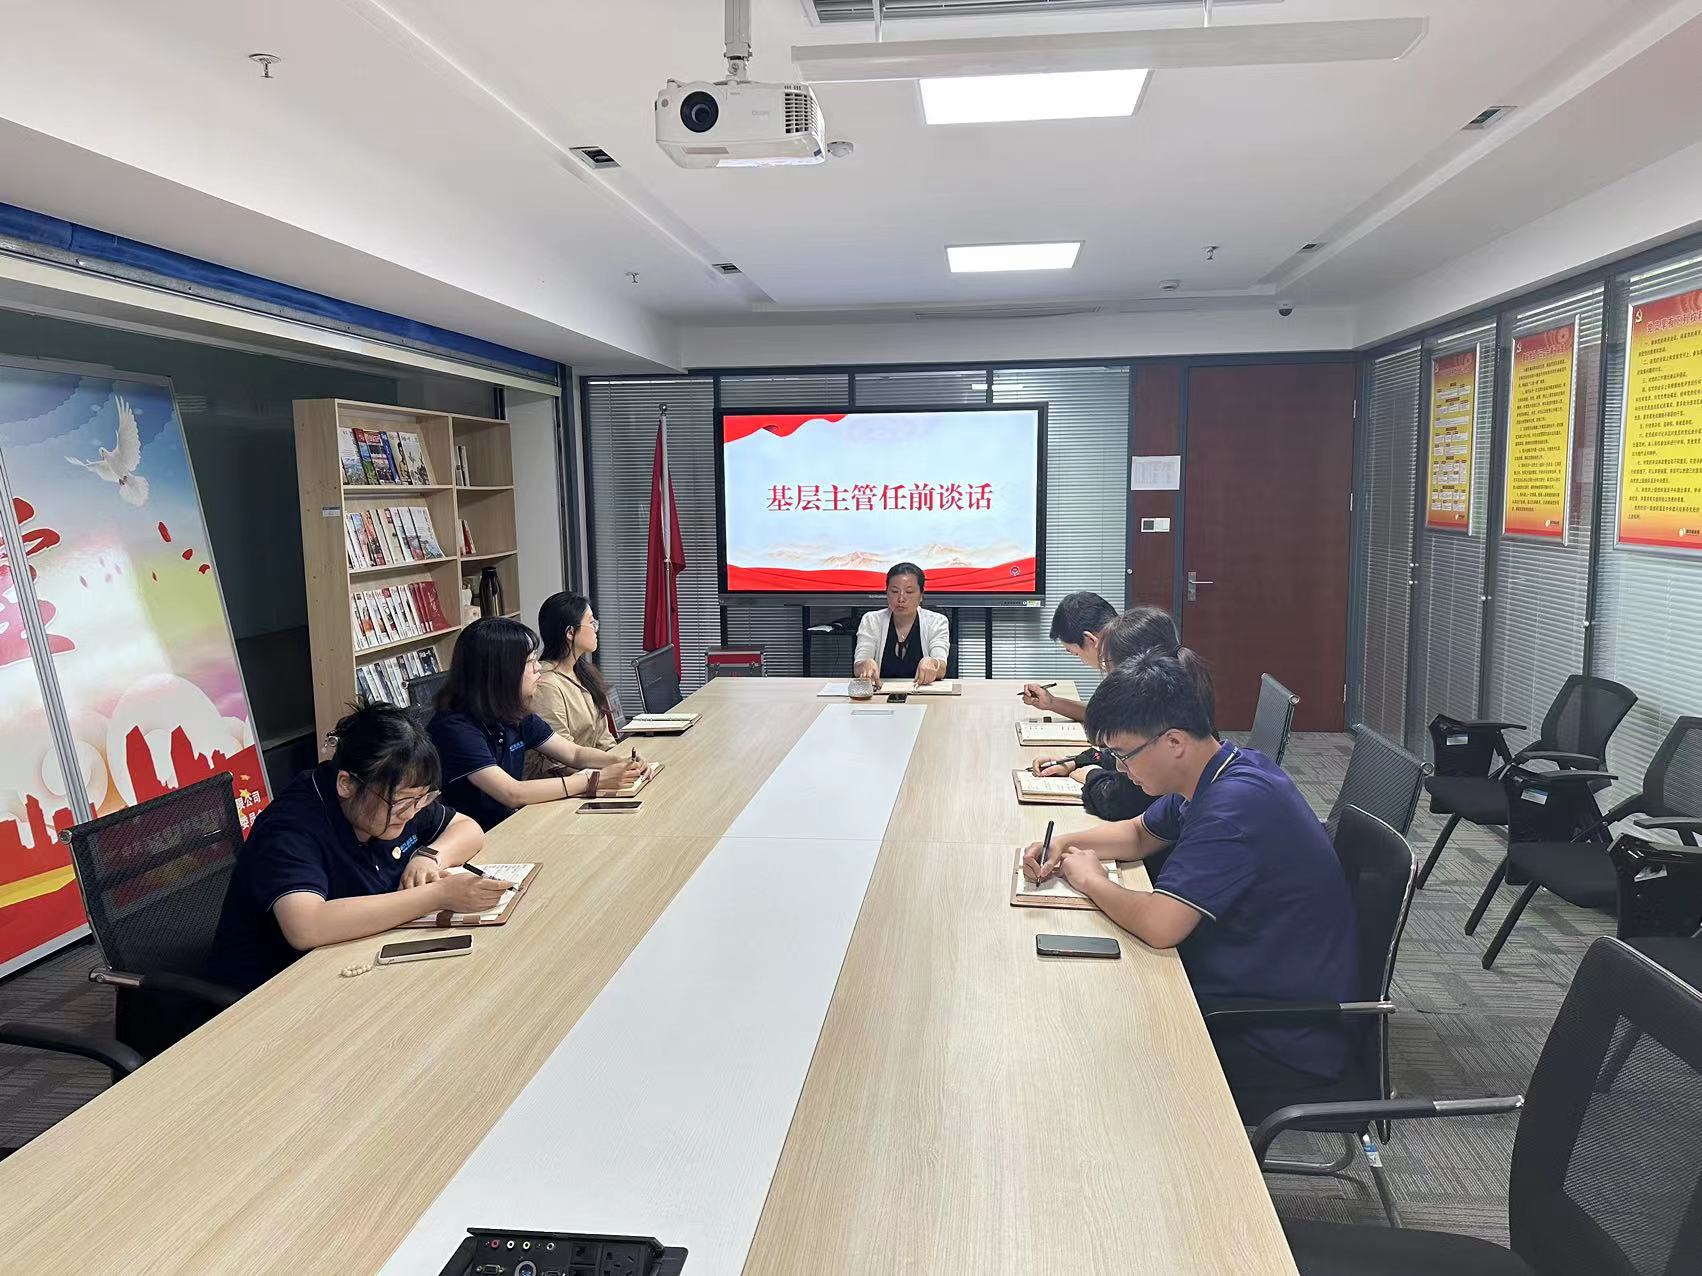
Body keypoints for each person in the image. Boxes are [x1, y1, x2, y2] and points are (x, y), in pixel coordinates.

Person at [1021, 656, 1358, 1092]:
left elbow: (1161, 925)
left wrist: (1090, 880)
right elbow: (1139, 835)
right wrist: (1064, 843)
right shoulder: (1221, 768)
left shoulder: (1232, 809)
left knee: (1085, 1050)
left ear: (1174, 742)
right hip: (1243, 982)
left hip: (1276, 1035)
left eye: (1124, 755)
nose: (1120, 769)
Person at [210, 703, 508, 993]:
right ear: (346, 784)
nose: (411, 813)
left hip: (356, 960)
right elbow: (306, 926)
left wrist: (430, 857)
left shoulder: (397, 794)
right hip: (274, 989)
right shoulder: (291, 826)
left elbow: (467, 828)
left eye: (422, 799)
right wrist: (438, 894)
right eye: (403, 802)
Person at [429, 617, 646, 830]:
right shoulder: (454, 727)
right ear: (500, 671)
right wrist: (593, 779)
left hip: (513, 824)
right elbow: (512, 793)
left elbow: (573, 753)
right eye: (530, 661)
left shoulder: (511, 710)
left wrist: (621, 762)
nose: (538, 668)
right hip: (480, 837)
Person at [1030, 607, 1216, 822]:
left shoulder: (1157, 715)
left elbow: (1117, 801)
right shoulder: (1179, 690)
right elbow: (1126, 753)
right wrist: (1079, 761)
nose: (1107, 674)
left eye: (1107, 664)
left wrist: (1089, 774)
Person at [526, 591, 617, 779]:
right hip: (564, 782)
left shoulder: (582, 673)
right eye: (591, 622)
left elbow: (604, 740)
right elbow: (560, 760)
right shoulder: (546, 684)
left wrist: (623, 763)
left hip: (590, 774)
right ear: (570, 632)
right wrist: (609, 775)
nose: (596, 629)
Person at [1020, 590, 1118, 720]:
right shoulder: (1127, 649)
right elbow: (1105, 715)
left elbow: (1110, 722)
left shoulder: (1133, 671)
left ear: (1090, 640)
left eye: (1076, 654)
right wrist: (1050, 702)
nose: (1082, 662)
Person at [853, 562, 950, 687]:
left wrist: (933, 663)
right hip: (880, 694)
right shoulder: (871, 621)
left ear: (921, 595)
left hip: (922, 693)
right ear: (886, 592)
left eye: (909, 592)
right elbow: (858, 665)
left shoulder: (936, 621)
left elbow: (941, 666)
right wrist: (864, 665)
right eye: (894, 591)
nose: (901, 599)